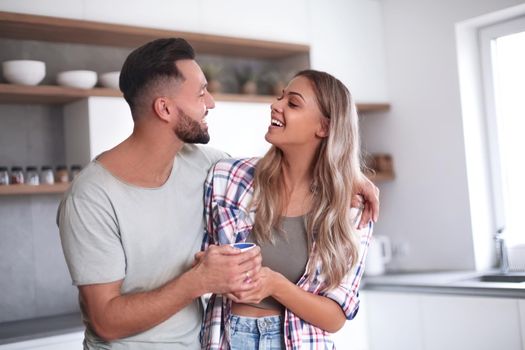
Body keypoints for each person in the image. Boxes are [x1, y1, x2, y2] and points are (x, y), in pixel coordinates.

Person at [57, 38, 379, 349]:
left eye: (292, 102)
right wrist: (201, 279)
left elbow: (287, 171)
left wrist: (348, 178)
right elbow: (105, 321)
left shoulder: (206, 167)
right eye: (201, 93)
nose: (211, 102)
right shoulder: (91, 198)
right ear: (164, 108)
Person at [200, 69, 373, 350]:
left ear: (324, 127)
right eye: (280, 97)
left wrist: (276, 285)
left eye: (293, 103)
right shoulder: (228, 178)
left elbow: (335, 317)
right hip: (228, 339)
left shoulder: (351, 208)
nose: (275, 105)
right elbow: (200, 264)